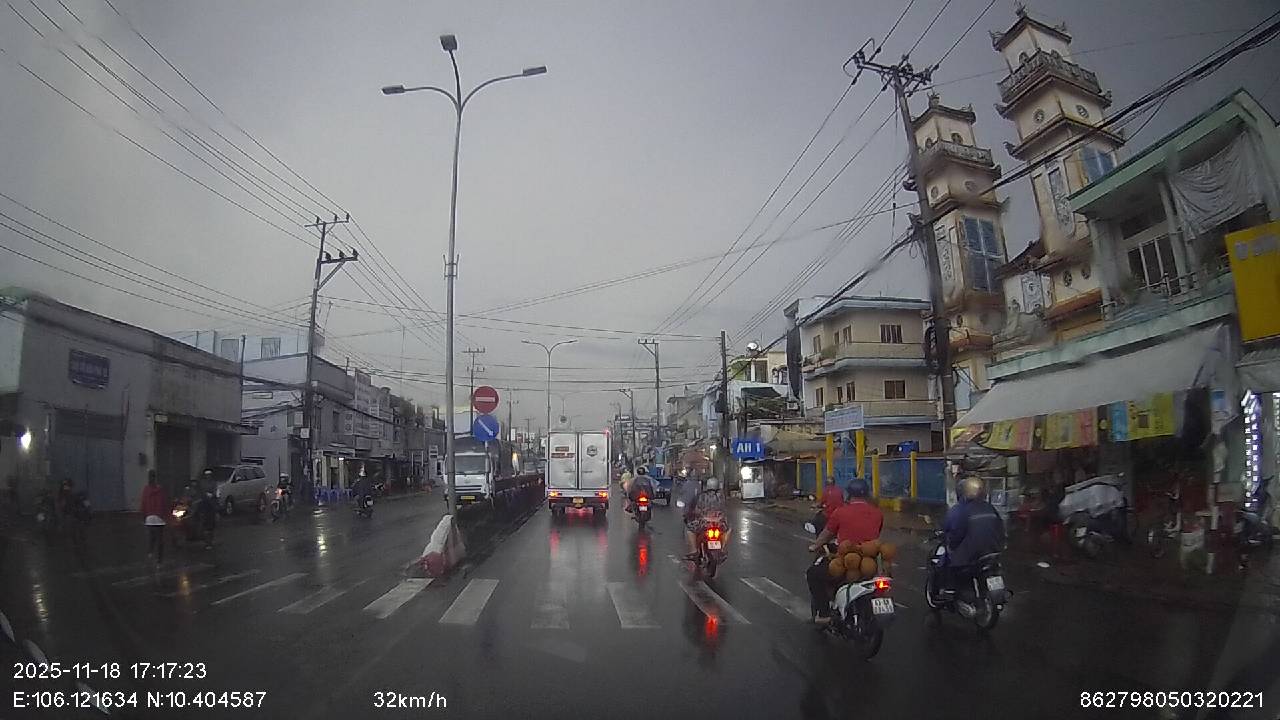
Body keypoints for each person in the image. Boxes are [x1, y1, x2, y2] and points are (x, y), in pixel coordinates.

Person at [805, 478, 883, 625]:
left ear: (849, 494)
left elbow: (826, 534)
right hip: (870, 561)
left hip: (847, 560)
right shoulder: (878, 513)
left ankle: (824, 614)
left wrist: (815, 546)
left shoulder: (840, 512)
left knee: (813, 574)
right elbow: (876, 533)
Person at [937, 476, 1006, 598]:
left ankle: (950, 590)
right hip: (992, 552)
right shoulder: (989, 507)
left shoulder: (959, 510)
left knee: (949, 560)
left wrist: (951, 545)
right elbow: (1000, 529)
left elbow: (955, 533)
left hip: (971, 556)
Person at [682, 476, 726, 560]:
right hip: (719, 523)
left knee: (689, 529)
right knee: (728, 529)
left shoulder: (701, 496)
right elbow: (724, 509)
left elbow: (694, 509)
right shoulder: (722, 496)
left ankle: (694, 551)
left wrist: (689, 514)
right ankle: (723, 549)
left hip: (704, 522)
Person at [140, 471, 168, 565]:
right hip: (159, 517)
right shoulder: (160, 490)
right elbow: (164, 503)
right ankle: (159, 561)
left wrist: (143, 516)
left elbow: (143, 503)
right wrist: (165, 515)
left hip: (149, 518)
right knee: (160, 540)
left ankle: (150, 553)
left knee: (152, 538)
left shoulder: (146, 490)